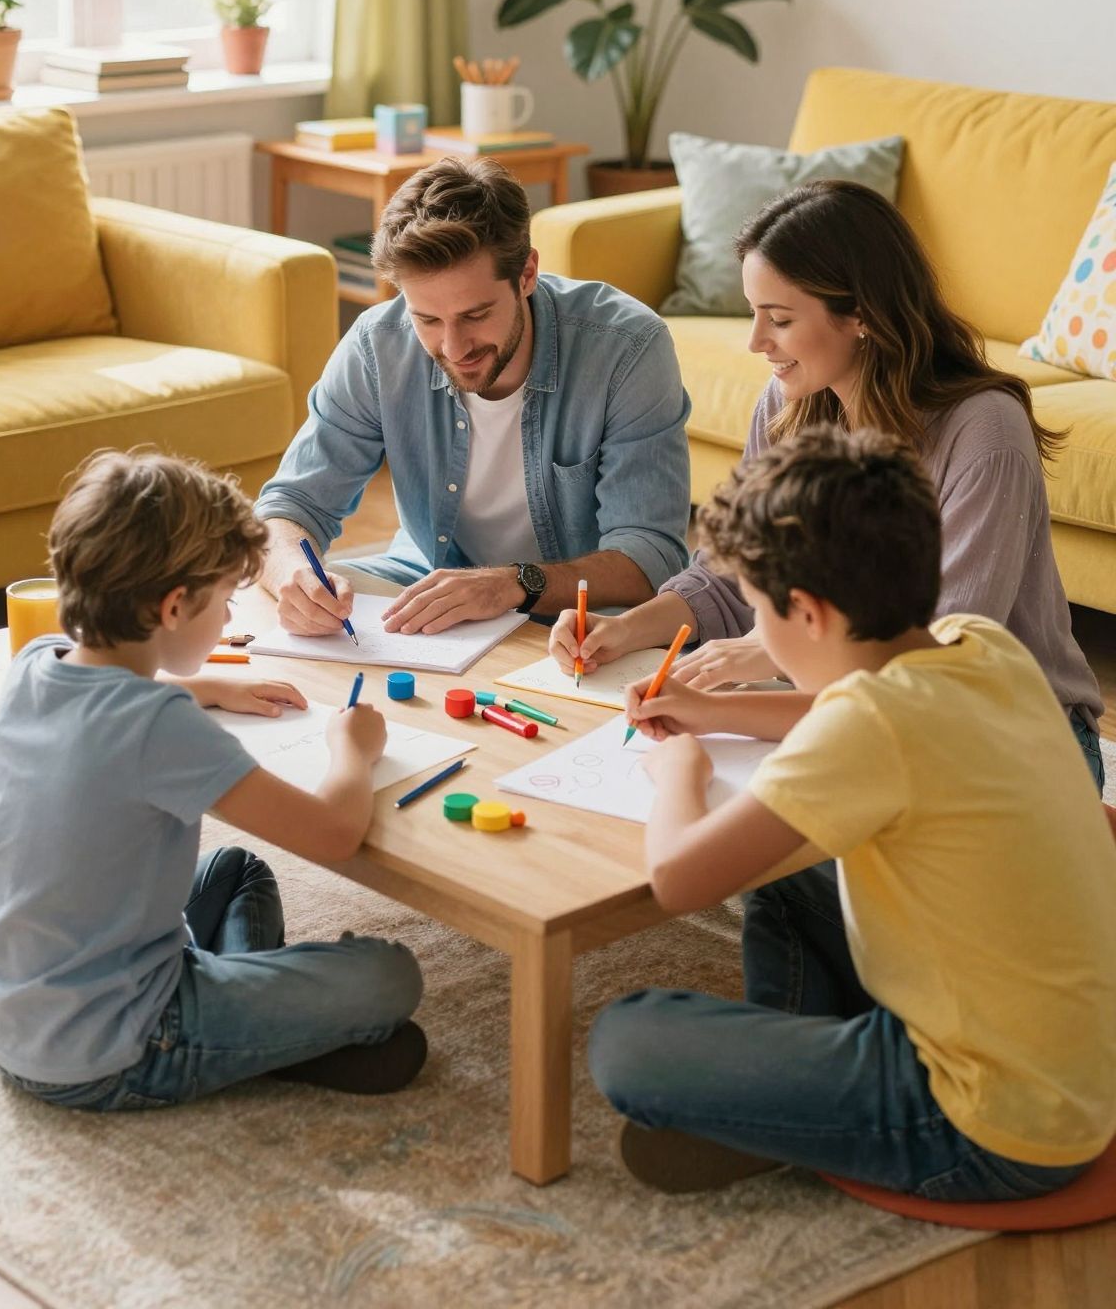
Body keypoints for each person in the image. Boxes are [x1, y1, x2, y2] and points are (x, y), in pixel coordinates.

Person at [589, 427, 1116, 1196]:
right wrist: (709, 709)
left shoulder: (870, 727)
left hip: (989, 1126)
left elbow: (677, 878)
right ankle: (795, 1096)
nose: (756, 630)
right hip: (1072, 1069)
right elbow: (851, 709)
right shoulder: (981, 644)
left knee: (624, 1041)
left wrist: (680, 769)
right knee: (782, 873)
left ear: (806, 612)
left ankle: (787, 1108)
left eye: (758, 612)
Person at [549, 179, 1104, 789]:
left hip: (1018, 737)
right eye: (754, 314)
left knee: (767, 850)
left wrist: (755, 664)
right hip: (876, 714)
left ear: (862, 314)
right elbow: (731, 573)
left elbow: (930, 673)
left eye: (780, 319)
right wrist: (625, 627)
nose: (757, 342)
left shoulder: (984, 434)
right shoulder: (792, 403)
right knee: (745, 815)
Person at [0, 451, 425, 1112]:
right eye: (226, 602)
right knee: (390, 977)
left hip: (12, 1015)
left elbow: (117, 706)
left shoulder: (39, 661)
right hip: (117, 1045)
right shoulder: (159, 728)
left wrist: (208, 686)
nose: (228, 620)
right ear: (175, 606)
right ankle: (258, 1035)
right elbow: (333, 834)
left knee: (237, 870)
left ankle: (257, 1020)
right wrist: (352, 749)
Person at [256, 157, 691, 639]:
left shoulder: (627, 348)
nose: (453, 347)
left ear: (526, 274)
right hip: (426, 578)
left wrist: (511, 584)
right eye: (428, 320)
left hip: (579, 608)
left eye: (476, 314)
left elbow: (651, 554)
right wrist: (293, 576)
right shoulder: (378, 344)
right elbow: (290, 506)